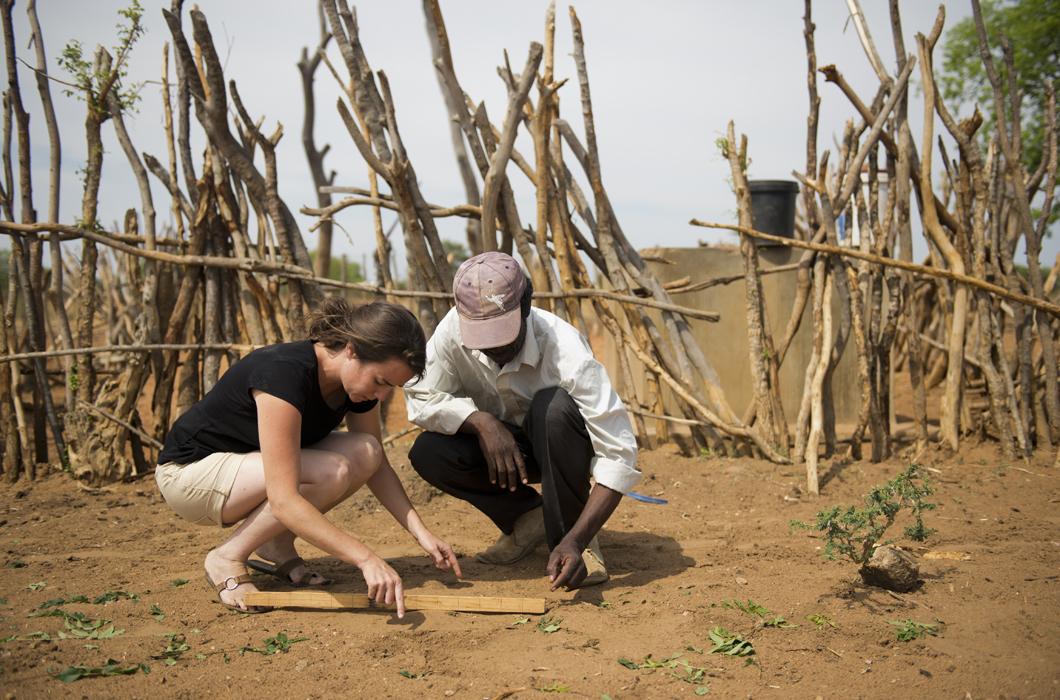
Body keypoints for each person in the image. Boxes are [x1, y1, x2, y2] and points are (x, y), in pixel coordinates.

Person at [155, 298, 461, 616]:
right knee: (332, 470)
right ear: (352, 351)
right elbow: (283, 498)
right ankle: (227, 557)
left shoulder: (355, 384)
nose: (382, 396)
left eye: (391, 388)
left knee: (367, 451)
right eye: (380, 381)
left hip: (246, 468)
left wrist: (421, 533)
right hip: (190, 476)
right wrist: (365, 558)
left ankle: (275, 543)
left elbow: (377, 463)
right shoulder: (284, 375)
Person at [405, 252, 640, 590]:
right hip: (505, 452)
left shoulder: (564, 347)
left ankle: (575, 539)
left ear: (526, 304)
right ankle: (526, 519)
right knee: (430, 451)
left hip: (567, 447)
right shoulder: (451, 332)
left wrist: (577, 538)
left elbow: (619, 454)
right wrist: (480, 421)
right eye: (482, 340)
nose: (494, 349)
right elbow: (419, 397)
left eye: (502, 335)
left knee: (553, 408)